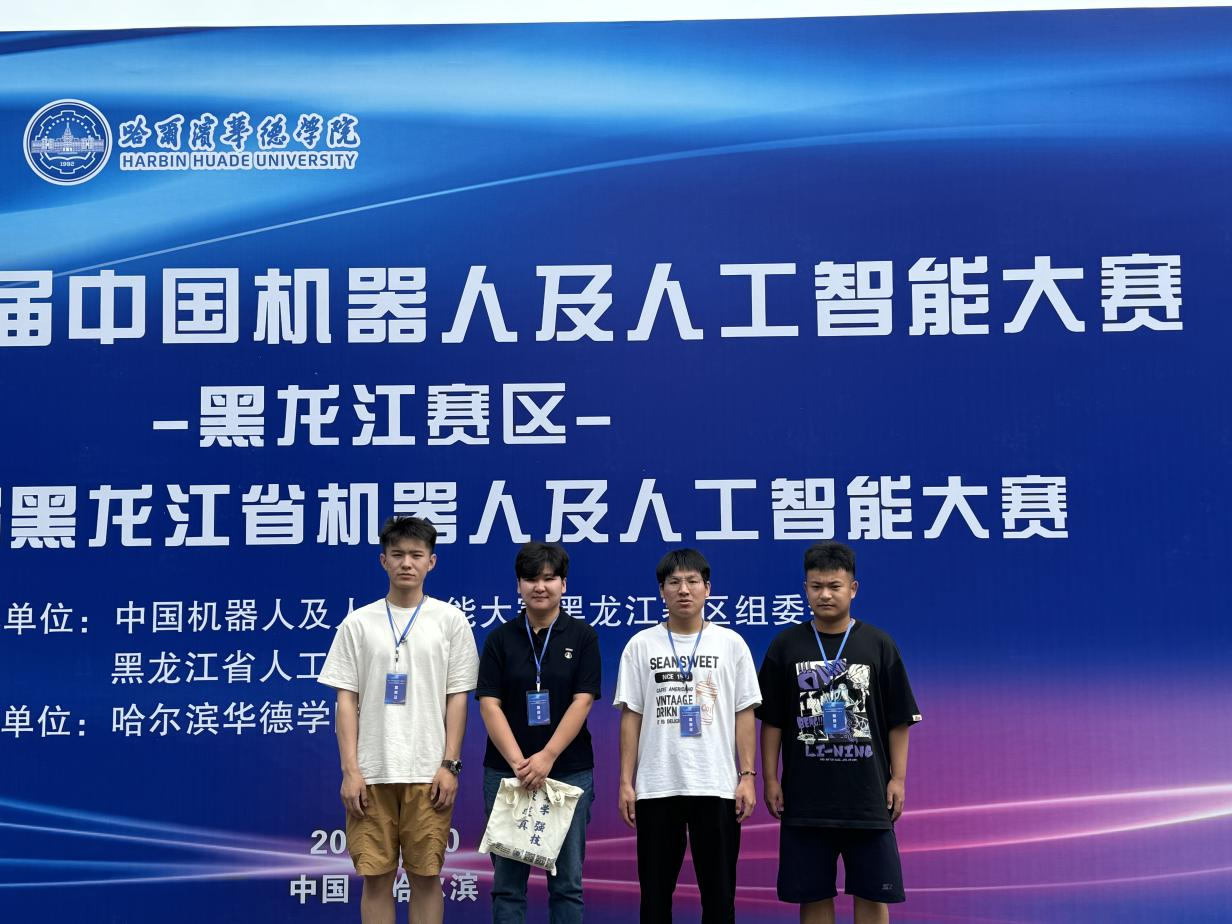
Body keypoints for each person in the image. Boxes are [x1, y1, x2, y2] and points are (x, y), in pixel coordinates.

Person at [318, 516, 479, 924]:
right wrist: (351, 771)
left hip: (429, 773)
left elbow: (457, 698)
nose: (407, 563)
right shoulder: (358, 623)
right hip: (371, 774)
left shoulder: (451, 621)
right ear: (383, 560)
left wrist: (450, 765)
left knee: (426, 877)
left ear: (431, 562)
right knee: (376, 879)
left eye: (416, 555)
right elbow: (345, 700)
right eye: (398, 554)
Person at [758, 541, 922, 924]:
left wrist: (898, 779)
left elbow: (898, 720)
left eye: (834, 586)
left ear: (853, 588)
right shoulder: (785, 646)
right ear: (805, 589)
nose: (825, 595)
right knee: (813, 895)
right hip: (805, 802)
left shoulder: (879, 644)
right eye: (816, 586)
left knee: (872, 894)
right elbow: (772, 721)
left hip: (868, 798)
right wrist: (770, 779)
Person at [613, 548, 761, 924]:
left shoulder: (731, 644)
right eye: (674, 582)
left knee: (719, 897)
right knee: (655, 898)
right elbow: (632, 715)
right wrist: (626, 782)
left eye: (693, 581)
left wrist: (747, 776)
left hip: (716, 785)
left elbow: (744, 712)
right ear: (661, 590)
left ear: (707, 588)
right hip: (657, 786)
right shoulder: (640, 645)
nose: (684, 590)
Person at [476, 542, 602, 924]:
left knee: (567, 885)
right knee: (507, 887)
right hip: (508, 773)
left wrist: (546, 757)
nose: (540, 586)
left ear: (564, 584)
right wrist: (520, 763)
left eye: (549, 578)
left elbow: (583, 701)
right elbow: (489, 704)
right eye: (531, 579)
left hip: (568, 772)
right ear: (519, 585)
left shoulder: (582, 637)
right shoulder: (500, 639)